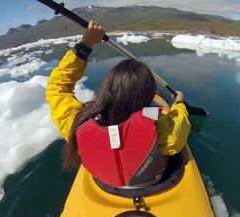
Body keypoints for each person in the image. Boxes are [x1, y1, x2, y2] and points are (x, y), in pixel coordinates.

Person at [46, 20, 190, 188]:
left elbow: (57, 87)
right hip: (152, 182)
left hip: (107, 186)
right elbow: (180, 123)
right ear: (147, 95)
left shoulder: (78, 123)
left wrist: (84, 46)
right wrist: (179, 103)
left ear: (109, 87)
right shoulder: (163, 130)